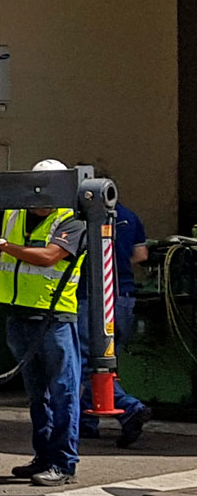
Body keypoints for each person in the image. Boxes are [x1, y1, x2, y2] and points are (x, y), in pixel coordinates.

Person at [0, 159, 89, 487]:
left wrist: (4, 246)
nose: (42, 198)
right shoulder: (13, 214)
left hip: (54, 318)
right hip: (19, 316)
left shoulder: (71, 220)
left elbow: (49, 257)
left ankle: (64, 464)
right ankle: (44, 457)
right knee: (38, 395)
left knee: (63, 392)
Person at [79, 186, 153, 448]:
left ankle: (130, 408)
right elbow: (141, 255)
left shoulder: (83, 218)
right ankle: (86, 422)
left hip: (92, 300)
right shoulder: (130, 217)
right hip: (124, 299)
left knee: (89, 363)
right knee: (105, 363)